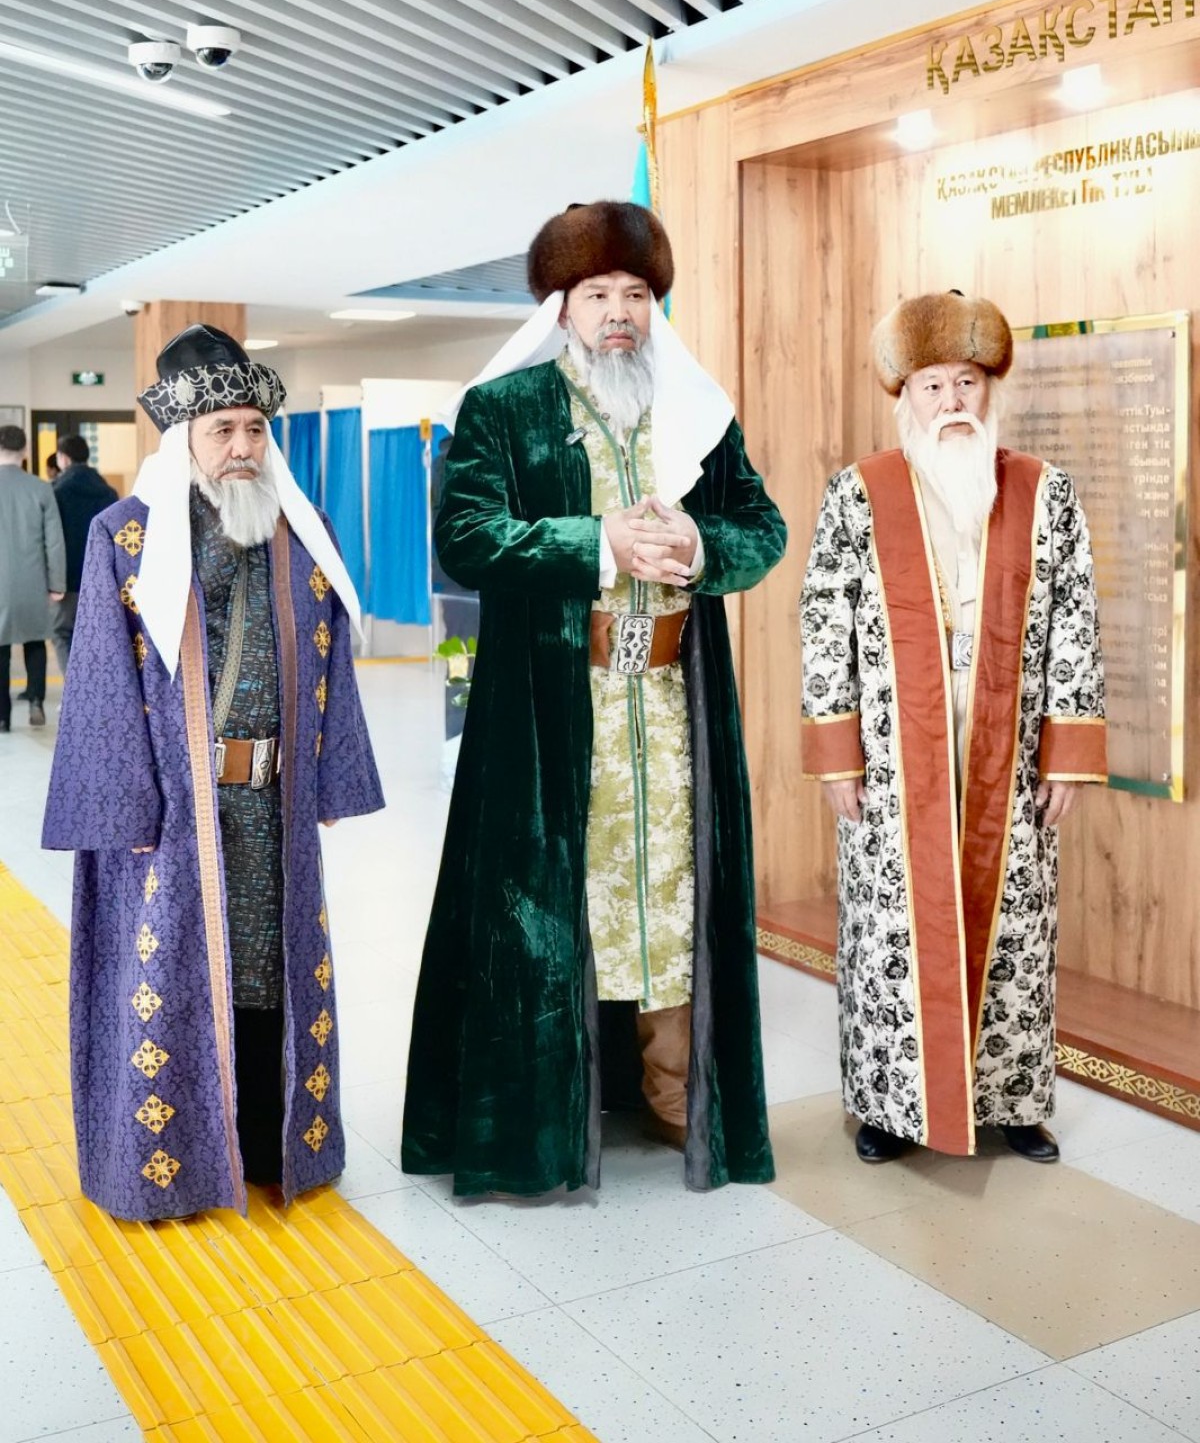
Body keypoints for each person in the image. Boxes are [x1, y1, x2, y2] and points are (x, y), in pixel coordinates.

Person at [402, 200, 787, 1197]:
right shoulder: (506, 407)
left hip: (673, 707)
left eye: (637, 294)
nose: (620, 312)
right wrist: (596, 542)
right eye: (598, 293)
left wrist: (701, 545)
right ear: (562, 307)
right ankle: (544, 1108)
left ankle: (672, 1089)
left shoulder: (696, 409)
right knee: (554, 902)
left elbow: (762, 528)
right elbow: (466, 537)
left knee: (674, 891)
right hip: (552, 710)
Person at [42, 326, 384, 1220]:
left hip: (273, 805)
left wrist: (331, 776)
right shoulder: (125, 537)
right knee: (177, 976)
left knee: (265, 969)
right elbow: (100, 683)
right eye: (221, 429)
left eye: (254, 429)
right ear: (183, 437)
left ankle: (272, 1144)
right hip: (171, 816)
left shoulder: (302, 533)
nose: (241, 447)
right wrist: (125, 808)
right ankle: (176, 1165)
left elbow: (331, 657)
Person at [800, 291, 1106, 1168]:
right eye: (932, 385)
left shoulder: (1045, 491)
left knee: (1016, 931)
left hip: (1010, 755)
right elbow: (823, 621)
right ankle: (889, 1106)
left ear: (990, 387)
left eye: (966, 381)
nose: (951, 402)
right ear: (905, 395)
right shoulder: (859, 493)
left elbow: (1076, 620)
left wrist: (1068, 754)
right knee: (892, 931)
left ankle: (1016, 1102)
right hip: (895, 760)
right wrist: (837, 755)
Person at [0, 423, 66, 731]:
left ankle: (2, 716)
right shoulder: (41, 488)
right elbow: (54, 541)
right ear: (25, 451)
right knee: (36, 639)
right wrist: (57, 583)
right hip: (33, 579)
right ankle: (36, 701)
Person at [51, 434, 119, 673]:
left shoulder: (57, 491)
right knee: (96, 635)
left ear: (63, 458)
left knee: (63, 632)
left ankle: (72, 688)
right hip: (101, 576)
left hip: (68, 577)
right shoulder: (108, 492)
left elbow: (53, 537)